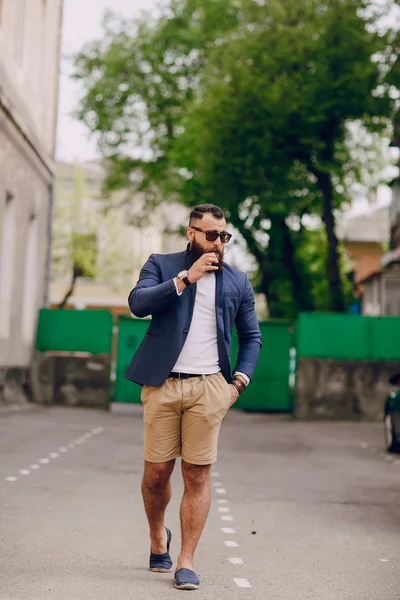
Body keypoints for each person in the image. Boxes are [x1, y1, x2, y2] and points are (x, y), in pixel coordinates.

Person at [125, 203, 262, 590]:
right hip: (163, 383)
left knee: (198, 474)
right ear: (191, 233)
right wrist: (185, 279)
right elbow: (137, 304)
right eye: (210, 235)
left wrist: (237, 383)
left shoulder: (238, 282)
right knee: (156, 475)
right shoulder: (162, 265)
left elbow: (252, 337)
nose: (218, 243)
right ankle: (157, 536)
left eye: (224, 236)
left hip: (209, 387)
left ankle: (186, 560)